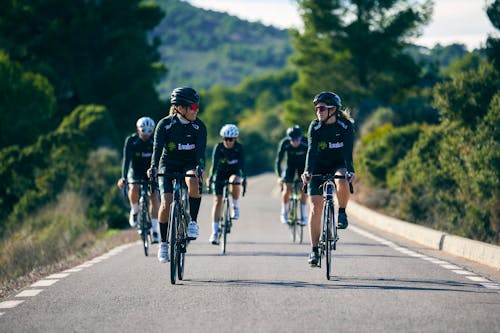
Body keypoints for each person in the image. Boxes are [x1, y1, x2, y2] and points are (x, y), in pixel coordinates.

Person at [147, 87, 207, 263]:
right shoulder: (165, 125)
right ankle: (164, 244)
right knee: (166, 202)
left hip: (189, 163)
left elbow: (200, 153)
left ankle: (193, 222)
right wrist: (153, 167)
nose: (196, 109)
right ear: (180, 108)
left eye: (197, 106)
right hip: (168, 164)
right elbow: (157, 149)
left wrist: (200, 167)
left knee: (194, 180)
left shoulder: (199, 127)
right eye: (193, 106)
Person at [301, 91, 356, 267]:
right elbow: (310, 151)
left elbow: (348, 152)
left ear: (333, 110)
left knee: (342, 179)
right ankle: (314, 250)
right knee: (316, 208)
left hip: (338, 164)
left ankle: (341, 213)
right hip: (317, 167)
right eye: (317, 108)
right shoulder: (315, 127)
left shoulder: (345, 126)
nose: (318, 111)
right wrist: (307, 172)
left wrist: (351, 170)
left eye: (322, 108)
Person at [117, 117, 160, 243]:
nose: (146, 133)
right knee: (134, 188)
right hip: (135, 171)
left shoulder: (155, 141)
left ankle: (155, 230)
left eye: (149, 130)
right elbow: (126, 160)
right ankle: (135, 210)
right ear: (138, 129)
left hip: (150, 172)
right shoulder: (131, 141)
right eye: (144, 130)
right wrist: (123, 177)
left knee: (154, 196)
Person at [207, 124, 246, 245]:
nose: (228, 142)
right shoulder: (218, 147)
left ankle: (235, 206)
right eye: (226, 139)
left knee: (234, 179)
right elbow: (213, 165)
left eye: (231, 139)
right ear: (222, 138)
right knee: (217, 201)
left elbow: (242, 166)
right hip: (220, 173)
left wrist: (244, 178)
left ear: (235, 139)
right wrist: (210, 177)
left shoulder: (239, 148)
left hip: (233, 172)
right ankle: (214, 232)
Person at [275, 125, 308, 225]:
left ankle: (303, 215)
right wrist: (280, 177)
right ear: (289, 139)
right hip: (290, 166)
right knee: (287, 188)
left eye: (297, 139)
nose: (295, 141)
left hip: (303, 166)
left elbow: (312, 158)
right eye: (292, 139)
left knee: (303, 188)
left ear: (301, 138)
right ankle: (284, 212)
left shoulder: (306, 142)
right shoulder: (284, 143)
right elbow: (278, 161)